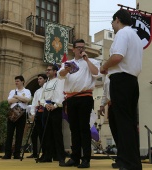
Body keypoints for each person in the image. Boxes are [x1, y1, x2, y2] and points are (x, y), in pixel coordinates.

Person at [100, 9, 143, 170]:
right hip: (132, 81)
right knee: (129, 123)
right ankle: (130, 160)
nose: (112, 26)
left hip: (121, 81)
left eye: (112, 22)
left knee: (123, 123)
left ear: (117, 19)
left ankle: (128, 162)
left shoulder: (122, 34)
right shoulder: (136, 37)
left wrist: (104, 66)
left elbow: (117, 56)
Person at [58, 39, 99, 168]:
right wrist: (66, 69)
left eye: (83, 47)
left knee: (84, 128)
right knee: (73, 128)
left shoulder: (91, 61)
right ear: (73, 49)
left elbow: (96, 73)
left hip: (85, 97)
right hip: (71, 99)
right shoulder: (67, 63)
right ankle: (75, 157)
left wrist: (86, 59)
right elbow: (60, 76)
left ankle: (86, 158)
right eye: (78, 47)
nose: (81, 49)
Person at [40, 64, 66, 166]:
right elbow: (42, 98)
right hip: (47, 108)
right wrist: (46, 104)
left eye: (49, 70)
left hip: (56, 109)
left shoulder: (60, 81)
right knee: (47, 134)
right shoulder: (46, 84)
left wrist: (54, 105)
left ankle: (60, 157)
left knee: (57, 134)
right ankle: (47, 156)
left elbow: (61, 96)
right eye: (47, 70)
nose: (47, 71)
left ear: (55, 71)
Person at [2, 75, 31, 159]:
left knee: (19, 134)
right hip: (13, 113)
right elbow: (9, 101)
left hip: (22, 113)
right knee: (9, 133)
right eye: (15, 81)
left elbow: (27, 100)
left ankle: (17, 154)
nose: (16, 82)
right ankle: (7, 154)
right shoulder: (12, 91)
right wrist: (21, 99)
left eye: (18, 81)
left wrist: (17, 97)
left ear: (22, 81)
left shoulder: (27, 91)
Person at [26, 74, 47, 159]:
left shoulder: (47, 89)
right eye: (38, 79)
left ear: (45, 80)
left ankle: (45, 153)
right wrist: (33, 113)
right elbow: (34, 103)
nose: (39, 80)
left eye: (40, 79)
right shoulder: (37, 91)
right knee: (34, 135)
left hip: (44, 112)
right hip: (38, 113)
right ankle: (35, 152)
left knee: (43, 134)